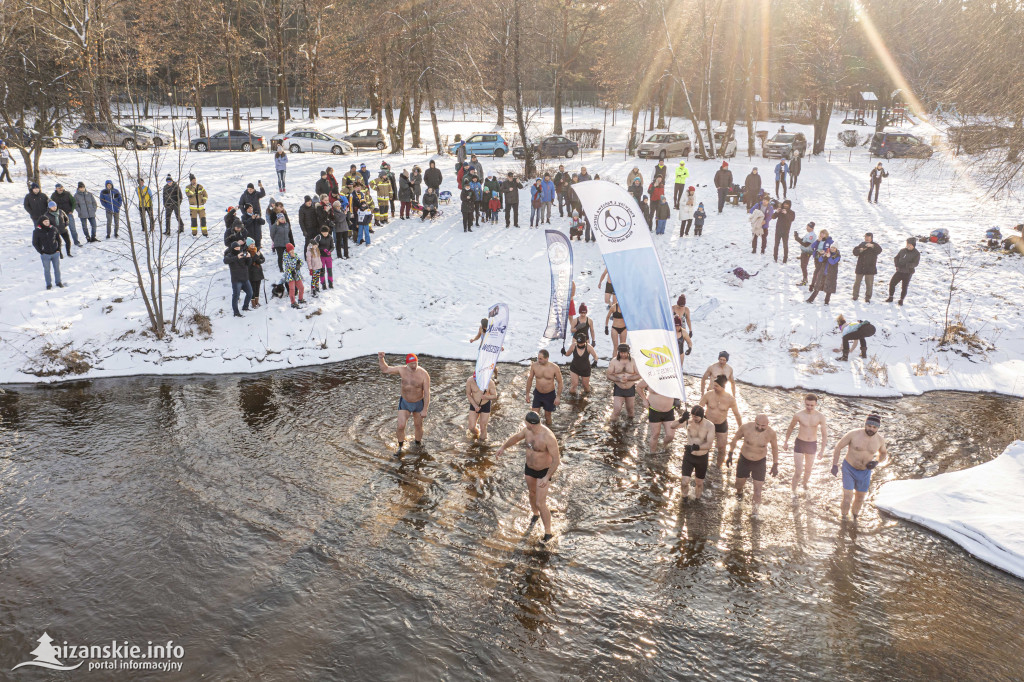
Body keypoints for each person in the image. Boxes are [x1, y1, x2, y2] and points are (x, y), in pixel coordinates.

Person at [494, 411, 561, 542]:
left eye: (525, 422)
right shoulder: (527, 431)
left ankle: (548, 533)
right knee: (532, 493)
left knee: (540, 503)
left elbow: (556, 460)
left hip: (543, 472)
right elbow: (516, 437)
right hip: (529, 468)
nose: (524, 423)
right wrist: (503, 447)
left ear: (531, 423)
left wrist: (547, 477)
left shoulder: (548, 437)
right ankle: (535, 515)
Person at [831, 414, 889, 519]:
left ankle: (854, 519)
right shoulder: (853, 434)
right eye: (869, 426)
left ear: (878, 428)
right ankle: (843, 519)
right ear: (865, 424)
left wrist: (876, 462)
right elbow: (838, 447)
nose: (871, 429)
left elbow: (884, 453)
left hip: (865, 471)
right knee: (848, 497)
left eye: (874, 427)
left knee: (860, 498)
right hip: (849, 468)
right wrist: (834, 465)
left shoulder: (880, 440)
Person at [378, 352, 431, 455]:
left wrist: (425, 409)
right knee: (401, 425)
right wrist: (381, 359)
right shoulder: (401, 370)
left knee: (418, 425)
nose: (414, 366)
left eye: (415, 363)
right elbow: (385, 369)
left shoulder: (424, 374)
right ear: (407, 364)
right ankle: (400, 447)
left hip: (418, 403)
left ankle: (418, 444)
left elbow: (427, 393)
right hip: (405, 402)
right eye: (411, 364)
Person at [727, 414, 779, 516]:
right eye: (758, 424)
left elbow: (775, 448)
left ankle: (755, 514)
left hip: (759, 462)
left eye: (763, 426)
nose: (760, 427)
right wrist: (730, 454)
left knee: (758, 491)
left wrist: (775, 464)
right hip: (744, 460)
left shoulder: (771, 433)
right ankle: (740, 493)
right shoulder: (746, 427)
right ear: (754, 421)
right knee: (738, 485)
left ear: (768, 424)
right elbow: (734, 439)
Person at [783, 394, 828, 496]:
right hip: (800, 443)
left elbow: (824, 434)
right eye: (807, 405)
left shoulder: (820, 417)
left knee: (808, 469)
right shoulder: (798, 415)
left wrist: (822, 451)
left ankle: (804, 484)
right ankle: (793, 492)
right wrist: (786, 441)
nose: (809, 407)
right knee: (798, 470)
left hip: (812, 444)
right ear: (804, 403)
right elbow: (790, 428)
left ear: (816, 404)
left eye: (812, 405)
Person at [699, 374, 743, 467]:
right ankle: (701, 465)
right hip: (707, 424)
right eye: (714, 385)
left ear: (723, 387)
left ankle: (718, 468)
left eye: (716, 386)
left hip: (721, 425)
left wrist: (741, 429)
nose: (713, 387)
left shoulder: (730, 399)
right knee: (702, 446)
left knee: (722, 448)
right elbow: (699, 408)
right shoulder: (708, 394)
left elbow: (737, 415)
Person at [637, 380, 684, 454]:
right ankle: (652, 454)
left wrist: (678, 399)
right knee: (655, 435)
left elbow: (679, 389)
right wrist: (644, 400)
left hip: (669, 411)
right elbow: (638, 387)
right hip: (654, 411)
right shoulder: (651, 376)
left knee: (670, 436)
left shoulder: (671, 377)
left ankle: (663, 446)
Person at [681, 405, 715, 499]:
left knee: (699, 483)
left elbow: (709, 445)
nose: (694, 418)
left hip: (702, 458)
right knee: (684, 481)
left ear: (702, 416)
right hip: (689, 456)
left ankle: (697, 500)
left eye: (696, 417)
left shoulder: (710, 426)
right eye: (692, 416)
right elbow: (673, 426)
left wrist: (695, 447)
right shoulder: (689, 421)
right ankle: (684, 498)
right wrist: (681, 419)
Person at [526, 350, 562, 426]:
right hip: (538, 394)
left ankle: (549, 433)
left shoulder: (554, 368)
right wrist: (527, 394)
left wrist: (558, 397)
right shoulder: (534, 366)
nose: (538, 360)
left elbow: (560, 382)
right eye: (538, 358)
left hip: (549, 395)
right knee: (533, 416)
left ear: (547, 358)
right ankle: (534, 433)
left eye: (540, 359)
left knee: (548, 417)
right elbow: (530, 379)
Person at [607, 343, 640, 421]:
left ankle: (630, 427)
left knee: (631, 411)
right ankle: (611, 427)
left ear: (628, 352)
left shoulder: (633, 361)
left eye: (625, 353)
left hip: (630, 388)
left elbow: (639, 375)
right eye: (621, 353)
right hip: (619, 388)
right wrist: (619, 380)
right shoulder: (614, 361)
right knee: (616, 411)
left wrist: (628, 378)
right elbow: (608, 375)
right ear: (618, 352)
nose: (623, 354)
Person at [885, 237, 920, 306]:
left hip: (908, 272)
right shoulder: (902, 250)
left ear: (913, 245)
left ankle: (901, 300)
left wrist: (907, 265)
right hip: (899, 271)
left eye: (909, 244)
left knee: (904, 287)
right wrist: (897, 264)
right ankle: (891, 297)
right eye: (907, 244)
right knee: (892, 283)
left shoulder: (916, 253)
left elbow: (916, 263)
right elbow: (896, 258)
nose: (908, 245)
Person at [224, 238, 253, 317]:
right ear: (233, 248)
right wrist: (237, 257)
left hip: (245, 278)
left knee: (250, 293)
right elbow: (225, 261)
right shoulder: (230, 255)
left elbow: (248, 264)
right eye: (236, 248)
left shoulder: (242, 253)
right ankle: (236, 312)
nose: (237, 249)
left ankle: (245, 307)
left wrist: (249, 257)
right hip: (236, 280)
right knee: (236, 296)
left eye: (238, 248)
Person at [33, 215, 64, 290]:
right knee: (47, 270)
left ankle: (58, 282)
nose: (47, 223)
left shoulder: (53, 228)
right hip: (45, 254)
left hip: (55, 253)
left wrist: (58, 249)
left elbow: (59, 239)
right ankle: (48, 284)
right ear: (41, 222)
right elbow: (35, 243)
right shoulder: (37, 231)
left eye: (48, 221)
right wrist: (41, 251)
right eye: (45, 221)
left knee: (57, 269)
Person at [852, 233, 882, 302]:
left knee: (869, 284)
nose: (866, 239)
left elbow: (879, 250)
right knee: (857, 283)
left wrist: (872, 246)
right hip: (860, 267)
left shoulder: (875, 245)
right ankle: (855, 296)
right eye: (866, 237)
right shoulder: (862, 244)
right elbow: (854, 252)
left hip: (870, 268)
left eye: (868, 237)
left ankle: (868, 297)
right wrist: (860, 250)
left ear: (871, 238)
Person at [467, 372, 498, 440]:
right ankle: (477, 434)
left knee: (483, 427)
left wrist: (486, 397)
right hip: (474, 404)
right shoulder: (470, 380)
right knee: (471, 427)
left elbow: (495, 395)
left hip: (485, 405)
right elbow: (468, 394)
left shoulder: (489, 382)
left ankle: (483, 443)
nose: (477, 382)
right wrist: (475, 406)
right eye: (475, 380)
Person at [772, 199, 795, 263]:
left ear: (789, 205)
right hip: (778, 231)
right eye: (784, 204)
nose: (785, 205)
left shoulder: (792, 212)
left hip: (785, 232)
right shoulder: (780, 210)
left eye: (787, 204)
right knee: (776, 245)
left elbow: (791, 219)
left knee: (785, 245)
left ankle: (785, 259)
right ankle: (775, 257)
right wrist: (776, 212)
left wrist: (786, 213)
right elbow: (773, 217)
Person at [282, 243, 305, 308]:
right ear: (288, 250)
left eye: (293, 250)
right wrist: (295, 259)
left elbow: (301, 262)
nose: (292, 251)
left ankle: (300, 299)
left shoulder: (295, 255)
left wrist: (298, 265)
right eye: (290, 250)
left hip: (297, 274)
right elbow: (291, 265)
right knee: (292, 289)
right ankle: (293, 303)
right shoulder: (285, 257)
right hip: (290, 275)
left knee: (301, 287)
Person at [246, 238, 266, 309]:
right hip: (251, 273)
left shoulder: (257, 250)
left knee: (258, 288)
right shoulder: (246, 252)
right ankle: (253, 303)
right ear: (248, 245)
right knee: (253, 289)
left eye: (253, 244)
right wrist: (256, 257)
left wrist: (259, 261)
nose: (253, 245)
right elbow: (249, 262)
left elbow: (263, 259)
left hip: (258, 272)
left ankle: (257, 302)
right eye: (251, 244)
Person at [305, 234, 323, 298]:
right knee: (314, 279)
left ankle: (317, 287)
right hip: (314, 268)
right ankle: (313, 290)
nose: (315, 247)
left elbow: (319, 259)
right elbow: (309, 261)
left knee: (317, 278)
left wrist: (321, 266)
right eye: (314, 246)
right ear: (311, 245)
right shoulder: (309, 251)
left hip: (318, 267)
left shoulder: (317, 250)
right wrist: (310, 269)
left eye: (316, 245)